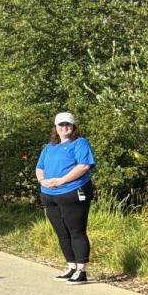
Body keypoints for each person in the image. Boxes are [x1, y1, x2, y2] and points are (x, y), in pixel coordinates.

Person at [36, 112, 96, 285]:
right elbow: (39, 167)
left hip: (73, 192)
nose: (64, 128)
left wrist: (61, 180)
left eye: (67, 125)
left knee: (76, 231)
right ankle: (71, 267)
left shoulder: (79, 143)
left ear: (73, 126)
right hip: (50, 195)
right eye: (60, 125)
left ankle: (81, 270)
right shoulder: (48, 147)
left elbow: (84, 166)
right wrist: (43, 181)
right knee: (62, 232)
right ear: (55, 128)